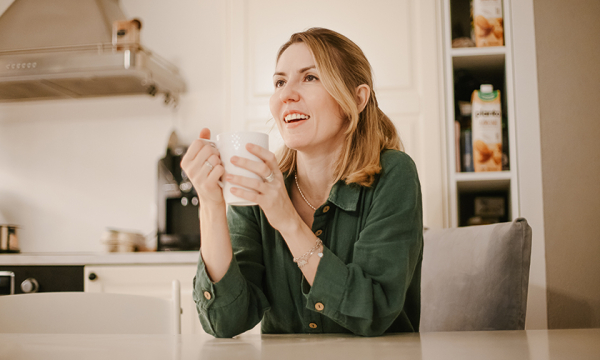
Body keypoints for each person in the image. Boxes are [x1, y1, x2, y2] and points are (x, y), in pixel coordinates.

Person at [181, 27, 423, 338]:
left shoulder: (393, 174)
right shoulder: (258, 185)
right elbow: (226, 322)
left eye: (310, 77)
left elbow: (372, 312)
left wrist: (288, 221)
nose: (286, 94)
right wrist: (211, 206)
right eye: (280, 82)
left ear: (357, 98)